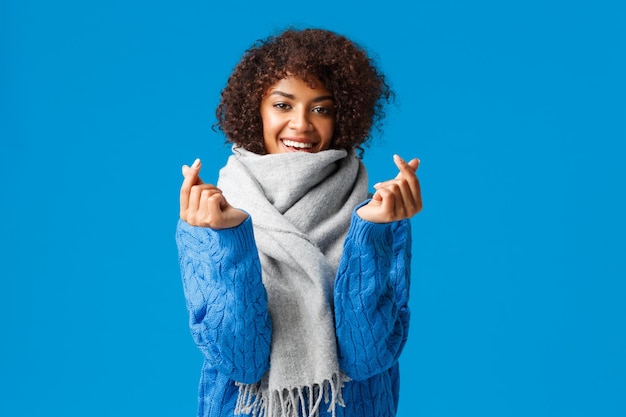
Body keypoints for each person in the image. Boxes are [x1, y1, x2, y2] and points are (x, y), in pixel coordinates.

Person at [176, 27, 422, 417]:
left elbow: (366, 357)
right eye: (283, 105)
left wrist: (371, 232)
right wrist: (230, 239)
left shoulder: (379, 211)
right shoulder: (209, 212)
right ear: (255, 108)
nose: (301, 124)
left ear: (344, 116)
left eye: (321, 108)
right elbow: (243, 360)